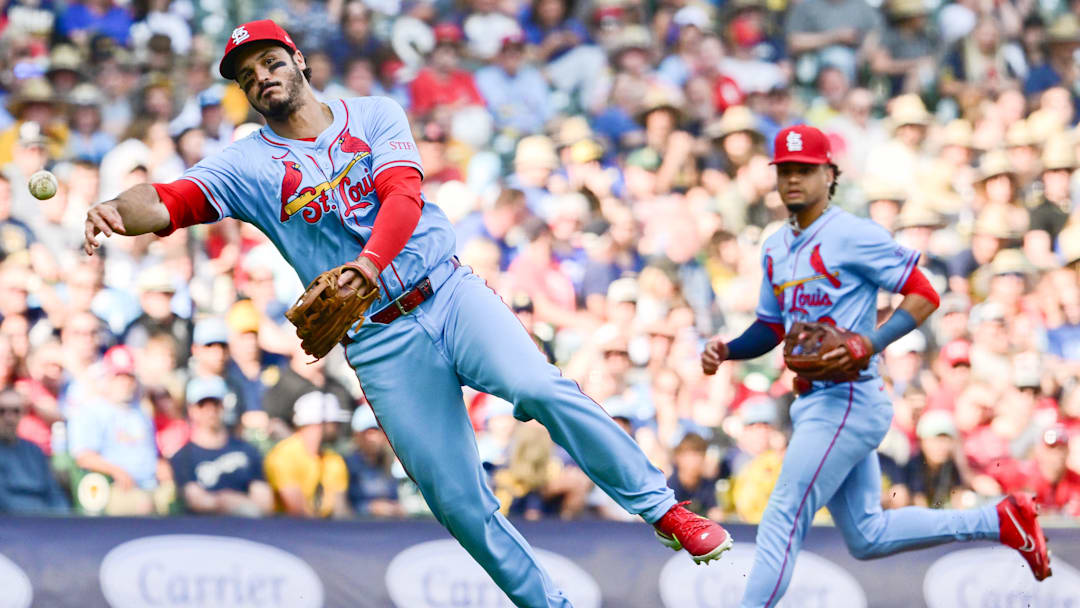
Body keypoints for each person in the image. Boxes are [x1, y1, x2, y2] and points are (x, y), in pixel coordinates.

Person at [83, 19, 730, 606]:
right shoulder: (249, 161)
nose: (261, 78)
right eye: (248, 76)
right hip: (381, 341)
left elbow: (403, 195)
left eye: (270, 62)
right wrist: (117, 210)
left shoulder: (373, 114)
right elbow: (171, 199)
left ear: (298, 59)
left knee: (539, 386)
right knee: (455, 501)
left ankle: (666, 512)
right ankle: (546, 605)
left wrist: (368, 265)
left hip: (447, 292)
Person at [700, 124, 1051, 606]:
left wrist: (872, 339)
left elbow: (924, 293)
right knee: (867, 535)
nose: (793, 179)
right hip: (816, 400)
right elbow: (771, 326)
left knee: (783, 512)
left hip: (848, 397)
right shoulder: (776, 246)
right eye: (785, 170)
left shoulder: (854, 234)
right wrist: (730, 349)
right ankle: (997, 520)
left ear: (830, 174)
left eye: (805, 169)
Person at [169, 376, 273, 517]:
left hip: (248, 526)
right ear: (191, 409)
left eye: (216, 404)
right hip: (205, 529)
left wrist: (243, 506)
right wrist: (230, 502)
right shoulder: (183, 457)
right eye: (203, 405)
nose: (210, 411)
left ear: (224, 406)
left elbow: (264, 501)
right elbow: (197, 500)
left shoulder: (247, 450)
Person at [263, 390, 350, 519]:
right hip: (285, 532)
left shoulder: (334, 460)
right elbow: (297, 511)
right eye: (334, 422)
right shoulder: (283, 455)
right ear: (320, 423)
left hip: (324, 530)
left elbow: (340, 510)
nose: (337, 427)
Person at [0, 389, 69, 514]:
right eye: (2, 411)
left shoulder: (34, 450)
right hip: (11, 523)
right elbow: (4, 500)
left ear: (23, 414)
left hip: (41, 521)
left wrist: (63, 519)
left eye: (15, 411)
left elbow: (54, 493)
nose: (9, 418)